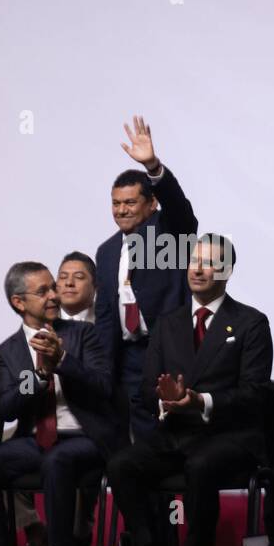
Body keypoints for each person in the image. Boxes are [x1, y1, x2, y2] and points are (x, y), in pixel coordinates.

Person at [106, 234, 272, 546]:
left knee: (200, 465)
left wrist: (200, 401)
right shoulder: (168, 322)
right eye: (194, 260)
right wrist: (166, 401)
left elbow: (255, 394)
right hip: (176, 432)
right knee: (121, 465)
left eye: (209, 262)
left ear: (227, 270)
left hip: (228, 434)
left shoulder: (250, 323)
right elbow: (147, 389)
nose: (197, 268)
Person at [0, 262, 116, 546]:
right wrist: (36, 379)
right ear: (19, 302)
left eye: (53, 287)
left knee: (57, 462)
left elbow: (103, 386)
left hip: (84, 437)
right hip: (35, 440)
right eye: (43, 291)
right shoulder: (8, 351)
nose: (54, 295)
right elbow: (6, 407)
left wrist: (64, 360)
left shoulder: (82, 335)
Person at [93, 116, 199, 442]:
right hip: (128, 360)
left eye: (130, 202)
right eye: (116, 203)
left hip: (170, 354)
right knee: (142, 446)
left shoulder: (168, 232)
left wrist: (153, 166)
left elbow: (180, 209)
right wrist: (105, 370)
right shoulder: (106, 251)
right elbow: (106, 316)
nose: (121, 210)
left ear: (151, 203)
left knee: (177, 438)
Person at [17, 250, 101, 546]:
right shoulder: (43, 323)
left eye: (77, 277)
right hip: (45, 418)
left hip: (88, 423)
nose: (67, 284)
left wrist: (65, 361)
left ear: (97, 287)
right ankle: (33, 528)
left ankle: (76, 533)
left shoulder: (103, 328)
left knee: (68, 458)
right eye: (61, 278)